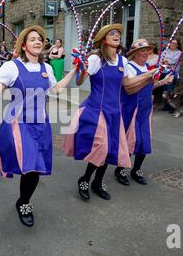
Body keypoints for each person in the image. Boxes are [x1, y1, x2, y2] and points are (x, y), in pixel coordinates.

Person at [0, 25, 78, 227]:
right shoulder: (11, 67)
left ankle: (23, 199)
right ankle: (24, 204)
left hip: (41, 124)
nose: (38, 41)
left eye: (40, 38)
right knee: (30, 166)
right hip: (19, 125)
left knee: (36, 169)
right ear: (23, 45)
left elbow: (56, 90)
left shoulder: (46, 68)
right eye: (32, 39)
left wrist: (73, 70)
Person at [63, 24, 157, 201]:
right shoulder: (95, 59)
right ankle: (84, 179)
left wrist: (148, 77)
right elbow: (79, 81)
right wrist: (81, 69)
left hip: (115, 112)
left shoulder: (122, 61)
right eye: (112, 33)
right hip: (96, 110)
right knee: (102, 147)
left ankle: (97, 182)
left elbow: (127, 85)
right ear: (104, 39)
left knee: (109, 150)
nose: (117, 35)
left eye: (118, 34)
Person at [114, 39, 174, 186]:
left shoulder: (148, 67)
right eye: (143, 50)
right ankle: (120, 170)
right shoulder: (129, 67)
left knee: (144, 139)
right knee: (130, 139)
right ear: (134, 53)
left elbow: (150, 87)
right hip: (132, 108)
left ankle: (137, 170)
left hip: (145, 108)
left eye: (148, 50)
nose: (146, 53)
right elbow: (129, 89)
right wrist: (149, 77)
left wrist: (163, 82)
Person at [160, 38, 182, 111]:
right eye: (172, 43)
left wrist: (166, 61)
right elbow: (161, 59)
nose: (173, 44)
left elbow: (174, 61)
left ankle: (172, 107)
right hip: (164, 72)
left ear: (177, 45)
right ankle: (166, 106)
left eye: (175, 43)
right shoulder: (165, 51)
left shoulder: (179, 52)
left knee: (170, 90)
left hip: (172, 73)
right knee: (165, 90)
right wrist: (165, 61)